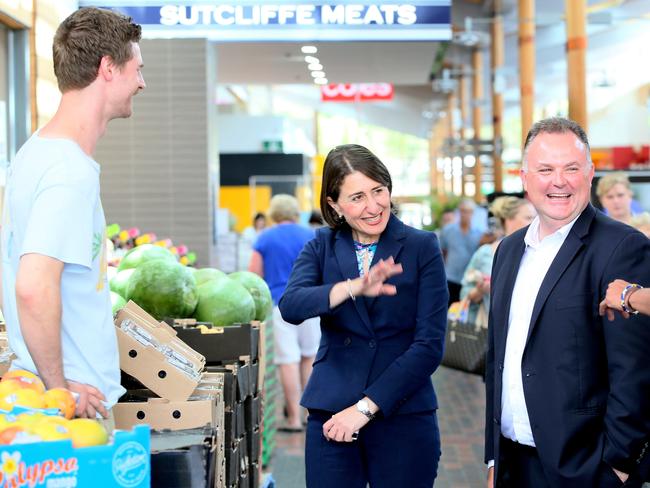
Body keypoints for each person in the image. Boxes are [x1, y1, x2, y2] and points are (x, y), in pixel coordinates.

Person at [485, 117, 650, 487]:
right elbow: (499, 357)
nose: (559, 181)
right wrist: (493, 457)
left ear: (589, 173)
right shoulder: (509, 250)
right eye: (545, 169)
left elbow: (636, 371)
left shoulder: (622, 248)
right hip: (513, 462)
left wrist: (618, 467)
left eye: (571, 168)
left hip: (584, 470)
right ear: (525, 178)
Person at [0, 7, 145, 419]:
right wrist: (59, 389)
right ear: (107, 69)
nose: (142, 82)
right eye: (136, 69)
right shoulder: (67, 172)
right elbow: (32, 286)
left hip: (48, 392)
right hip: (75, 404)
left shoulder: (33, 153)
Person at [279, 144, 448, 488]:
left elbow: (429, 345)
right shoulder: (321, 246)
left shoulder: (421, 246)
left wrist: (364, 409)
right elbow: (292, 305)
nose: (373, 207)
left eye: (378, 191)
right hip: (331, 411)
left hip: (403, 411)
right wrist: (352, 287)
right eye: (356, 197)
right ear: (333, 203)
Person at [249, 194, 320, 432]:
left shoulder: (265, 238)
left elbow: (254, 275)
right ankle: (312, 414)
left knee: (288, 362)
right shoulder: (310, 235)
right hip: (311, 304)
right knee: (309, 358)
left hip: (280, 305)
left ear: (273, 213)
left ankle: (293, 420)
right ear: (295, 212)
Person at [460, 196, 535, 323]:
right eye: (528, 218)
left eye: (535, 217)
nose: (534, 222)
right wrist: (480, 290)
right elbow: (465, 294)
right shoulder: (485, 253)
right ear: (508, 220)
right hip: (490, 331)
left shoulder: (539, 252)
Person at [440, 198, 483, 304]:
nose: (465, 214)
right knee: (450, 311)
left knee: (466, 313)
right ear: (459, 212)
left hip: (470, 280)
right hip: (451, 277)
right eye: (463, 211)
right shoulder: (448, 230)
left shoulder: (479, 233)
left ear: (473, 213)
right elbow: (443, 251)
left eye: (468, 211)